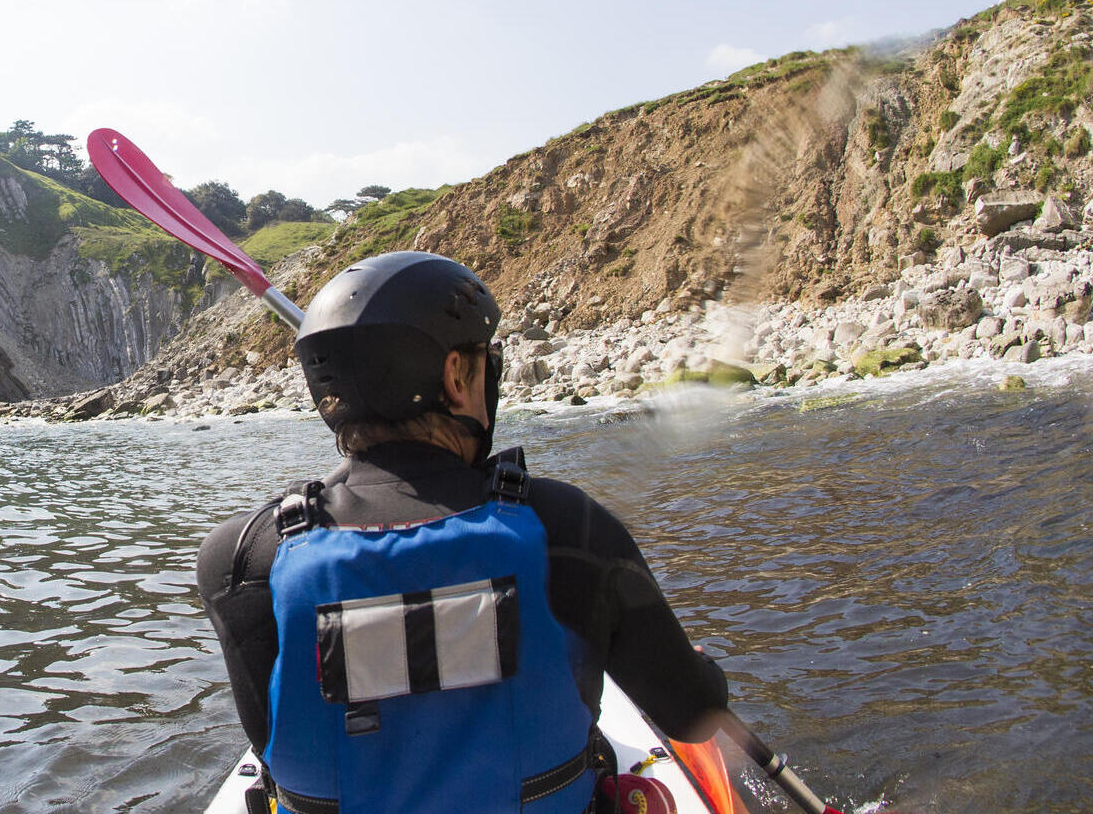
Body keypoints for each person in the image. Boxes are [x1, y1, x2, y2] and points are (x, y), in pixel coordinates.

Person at [195, 252, 729, 813]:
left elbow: (272, 744)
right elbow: (693, 717)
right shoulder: (568, 527)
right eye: (484, 360)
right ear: (455, 377)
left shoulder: (241, 558)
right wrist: (696, 670)